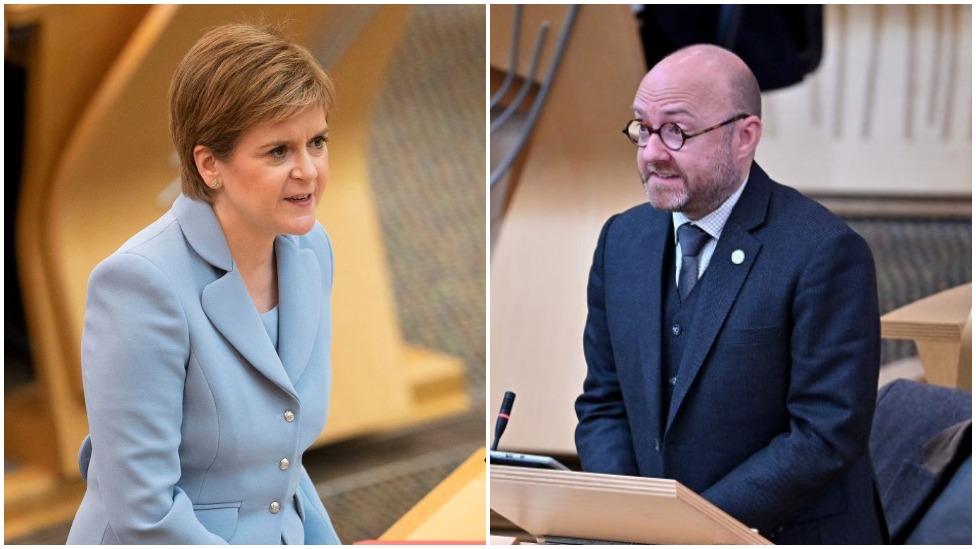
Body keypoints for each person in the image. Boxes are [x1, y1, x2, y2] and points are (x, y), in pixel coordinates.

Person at [574, 44, 886, 544]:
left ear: (744, 137)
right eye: (642, 128)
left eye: (676, 131)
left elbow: (824, 435)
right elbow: (604, 403)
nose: (652, 152)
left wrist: (688, 529)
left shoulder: (826, 253)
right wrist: (626, 517)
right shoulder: (621, 241)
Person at [67, 24, 341, 544]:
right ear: (209, 164)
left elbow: (282, 470)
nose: (309, 171)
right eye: (278, 151)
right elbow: (145, 512)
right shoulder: (139, 285)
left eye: (317, 142)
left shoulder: (310, 250)